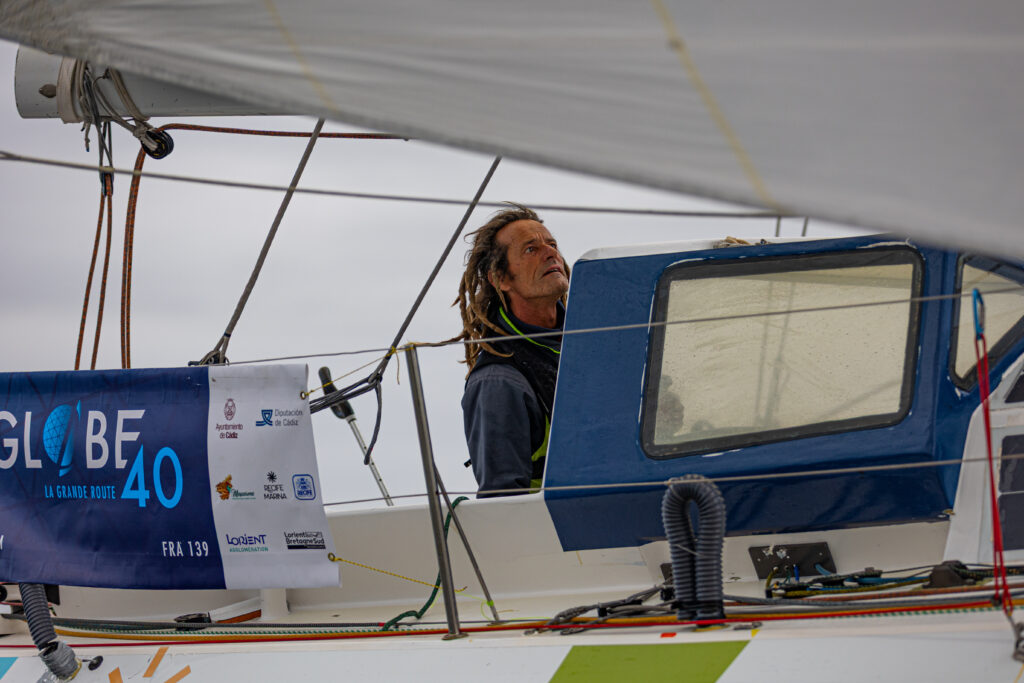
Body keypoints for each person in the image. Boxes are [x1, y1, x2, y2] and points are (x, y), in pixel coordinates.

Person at [452, 204, 570, 497]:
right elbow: (502, 504)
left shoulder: (595, 342)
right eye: (531, 249)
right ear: (500, 279)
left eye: (552, 244)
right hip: (556, 524)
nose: (550, 253)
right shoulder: (498, 382)